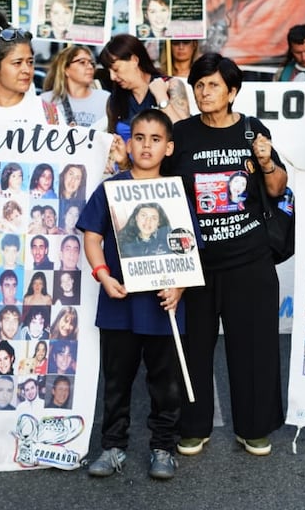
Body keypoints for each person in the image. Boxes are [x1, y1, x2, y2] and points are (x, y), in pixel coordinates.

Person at [167, 54, 285, 457]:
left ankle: (254, 428)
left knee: (253, 347)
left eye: (213, 85)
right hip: (195, 262)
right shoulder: (181, 134)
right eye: (199, 85)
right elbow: (158, 185)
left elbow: (276, 189)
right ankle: (192, 426)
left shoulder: (253, 131)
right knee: (193, 349)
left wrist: (267, 162)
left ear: (232, 92)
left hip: (249, 259)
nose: (204, 92)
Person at [79, 108, 185, 479]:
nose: (146, 146)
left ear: (168, 148)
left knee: (165, 384)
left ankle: (163, 447)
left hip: (162, 306)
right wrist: (103, 275)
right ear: (127, 143)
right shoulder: (112, 188)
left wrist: (179, 286)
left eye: (156, 139)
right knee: (116, 381)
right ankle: (112, 447)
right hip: (119, 304)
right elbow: (91, 236)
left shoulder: (175, 192)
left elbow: (188, 249)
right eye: (139, 137)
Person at [99, 34, 190, 146]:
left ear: (134, 60)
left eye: (116, 69)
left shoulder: (170, 85)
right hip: (126, 162)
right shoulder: (115, 99)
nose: (112, 77)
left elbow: (186, 135)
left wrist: (162, 98)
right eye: (109, 72)